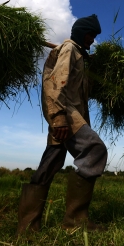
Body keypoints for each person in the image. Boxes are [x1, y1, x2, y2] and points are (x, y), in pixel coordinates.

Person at [17, 14, 108, 234]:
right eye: (90, 35)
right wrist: (58, 118)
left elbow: (84, 91)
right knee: (94, 150)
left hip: (69, 115)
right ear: (80, 32)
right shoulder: (69, 49)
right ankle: (75, 222)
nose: (92, 40)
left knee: (49, 164)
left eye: (94, 37)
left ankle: (27, 228)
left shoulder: (78, 55)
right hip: (66, 115)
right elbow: (56, 83)